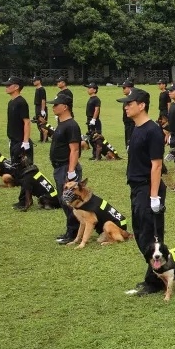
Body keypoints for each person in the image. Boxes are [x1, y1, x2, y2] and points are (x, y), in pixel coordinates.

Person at [119, 87, 168, 297]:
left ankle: (156, 280)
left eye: (130, 103)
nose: (126, 107)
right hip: (137, 187)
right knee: (139, 233)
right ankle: (156, 274)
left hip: (148, 188)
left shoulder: (152, 130)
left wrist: (154, 196)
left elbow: (156, 165)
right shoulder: (136, 128)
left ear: (142, 105)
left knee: (149, 234)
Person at [50, 92, 83, 245]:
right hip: (59, 167)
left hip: (66, 168)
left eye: (56, 105)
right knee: (63, 200)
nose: (53, 107)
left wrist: (71, 171)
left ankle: (73, 232)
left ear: (65, 107)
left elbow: (74, 150)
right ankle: (72, 229)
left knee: (68, 200)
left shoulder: (71, 125)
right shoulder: (62, 124)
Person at [5, 77, 32, 211]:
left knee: (24, 173)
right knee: (17, 171)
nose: (6, 87)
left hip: (21, 142)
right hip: (14, 141)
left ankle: (25, 201)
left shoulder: (21, 102)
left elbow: (26, 122)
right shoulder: (11, 102)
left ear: (16, 87)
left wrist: (26, 141)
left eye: (9, 85)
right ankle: (22, 199)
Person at [85, 82, 102, 159]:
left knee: (96, 137)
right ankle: (94, 154)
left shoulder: (96, 99)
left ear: (94, 90)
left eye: (89, 88)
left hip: (94, 120)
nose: (88, 89)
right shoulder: (90, 99)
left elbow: (97, 109)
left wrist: (94, 119)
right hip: (89, 119)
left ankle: (98, 155)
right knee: (90, 137)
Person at [120, 80, 136, 148]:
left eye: (124, 88)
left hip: (132, 123)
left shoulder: (133, 98)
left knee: (131, 142)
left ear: (130, 88)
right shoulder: (127, 98)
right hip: (127, 123)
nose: (123, 90)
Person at [32, 76, 48, 141]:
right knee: (38, 123)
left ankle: (45, 138)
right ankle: (42, 138)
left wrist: (42, 110)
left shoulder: (42, 89)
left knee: (42, 123)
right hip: (37, 106)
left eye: (35, 80)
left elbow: (43, 100)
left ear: (39, 81)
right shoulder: (37, 89)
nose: (33, 82)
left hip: (40, 107)